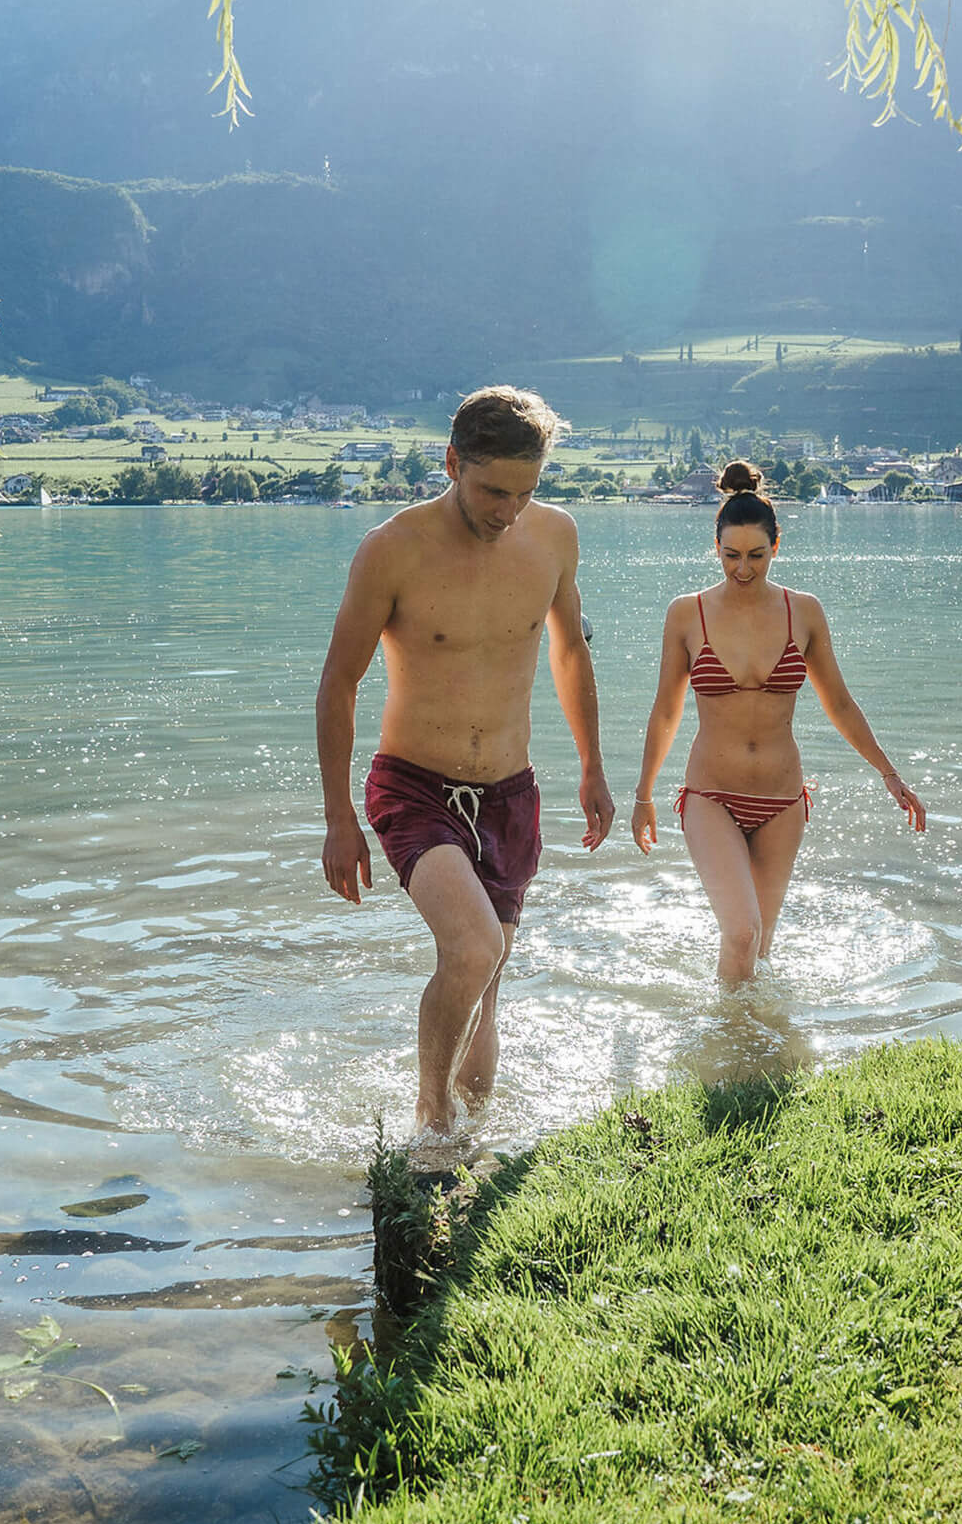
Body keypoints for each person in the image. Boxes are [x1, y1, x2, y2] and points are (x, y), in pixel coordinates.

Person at [316, 387, 614, 1135]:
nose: (507, 511)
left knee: (488, 980)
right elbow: (338, 682)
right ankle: (431, 1119)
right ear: (451, 463)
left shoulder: (554, 538)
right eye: (491, 491)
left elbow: (571, 652)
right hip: (414, 787)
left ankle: (475, 1137)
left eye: (524, 492)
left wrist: (592, 766)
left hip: (511, 793)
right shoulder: (393, 550)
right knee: (474, 947)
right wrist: (337, 817)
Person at [632, 460, 925, 983]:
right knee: (741, 931)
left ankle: (752, 1049)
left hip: (782, 801)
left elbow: (839, 703)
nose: (743, 569)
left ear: (776, 546)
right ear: (715, 547)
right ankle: (726, 1044)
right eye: (731, 556)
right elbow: (666, 710)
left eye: (756, 556)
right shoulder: (686, 614)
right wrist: (643, 796)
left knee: (760, 944)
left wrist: (889, 773)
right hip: (711, 795)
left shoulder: (803, 612)